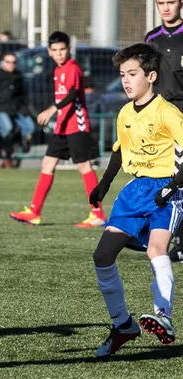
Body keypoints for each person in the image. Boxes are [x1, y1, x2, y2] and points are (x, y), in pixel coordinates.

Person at [89, 43, 183, 357]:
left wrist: (172, 187)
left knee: (157, 249)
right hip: (135, 191)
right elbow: (120, 151)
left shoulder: (168, 112)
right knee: (102, 256)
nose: (126, 81)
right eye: (122, 75)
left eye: (132, 74)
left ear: (151, 76)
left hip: (167, 190)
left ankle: (163, 316)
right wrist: (104, 184)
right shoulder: (125, 112)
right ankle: (123, 325)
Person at [9, 32, 106, 227]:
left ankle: (97, 214)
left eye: (62, 49)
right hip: (62, 126)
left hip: (76, 125)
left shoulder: (72, 68)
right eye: (55, 50)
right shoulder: (58, 70)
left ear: (68, 49)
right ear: (49, 52)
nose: (59, 53)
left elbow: (72, 94)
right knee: (47, 164)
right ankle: (34, 212)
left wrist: (52, 109)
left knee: (84, 167)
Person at [145, 0, 183, 261]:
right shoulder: (151, 38)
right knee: (162, 175)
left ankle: (180, 243)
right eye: (161, 2)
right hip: (159, 114)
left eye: (171, 1)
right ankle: (160, 237)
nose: (166, 7)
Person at [0, 52, 34, 168]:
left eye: (14, 62)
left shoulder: (18, 76)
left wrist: (26, 109)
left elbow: (23, 95)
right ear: (3, 63)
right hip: (0, 107)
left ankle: (20, 145)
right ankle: (3, 152)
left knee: (30, 127)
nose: (11, 65)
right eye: (8, 62)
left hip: (16, 108)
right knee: (7, 128)